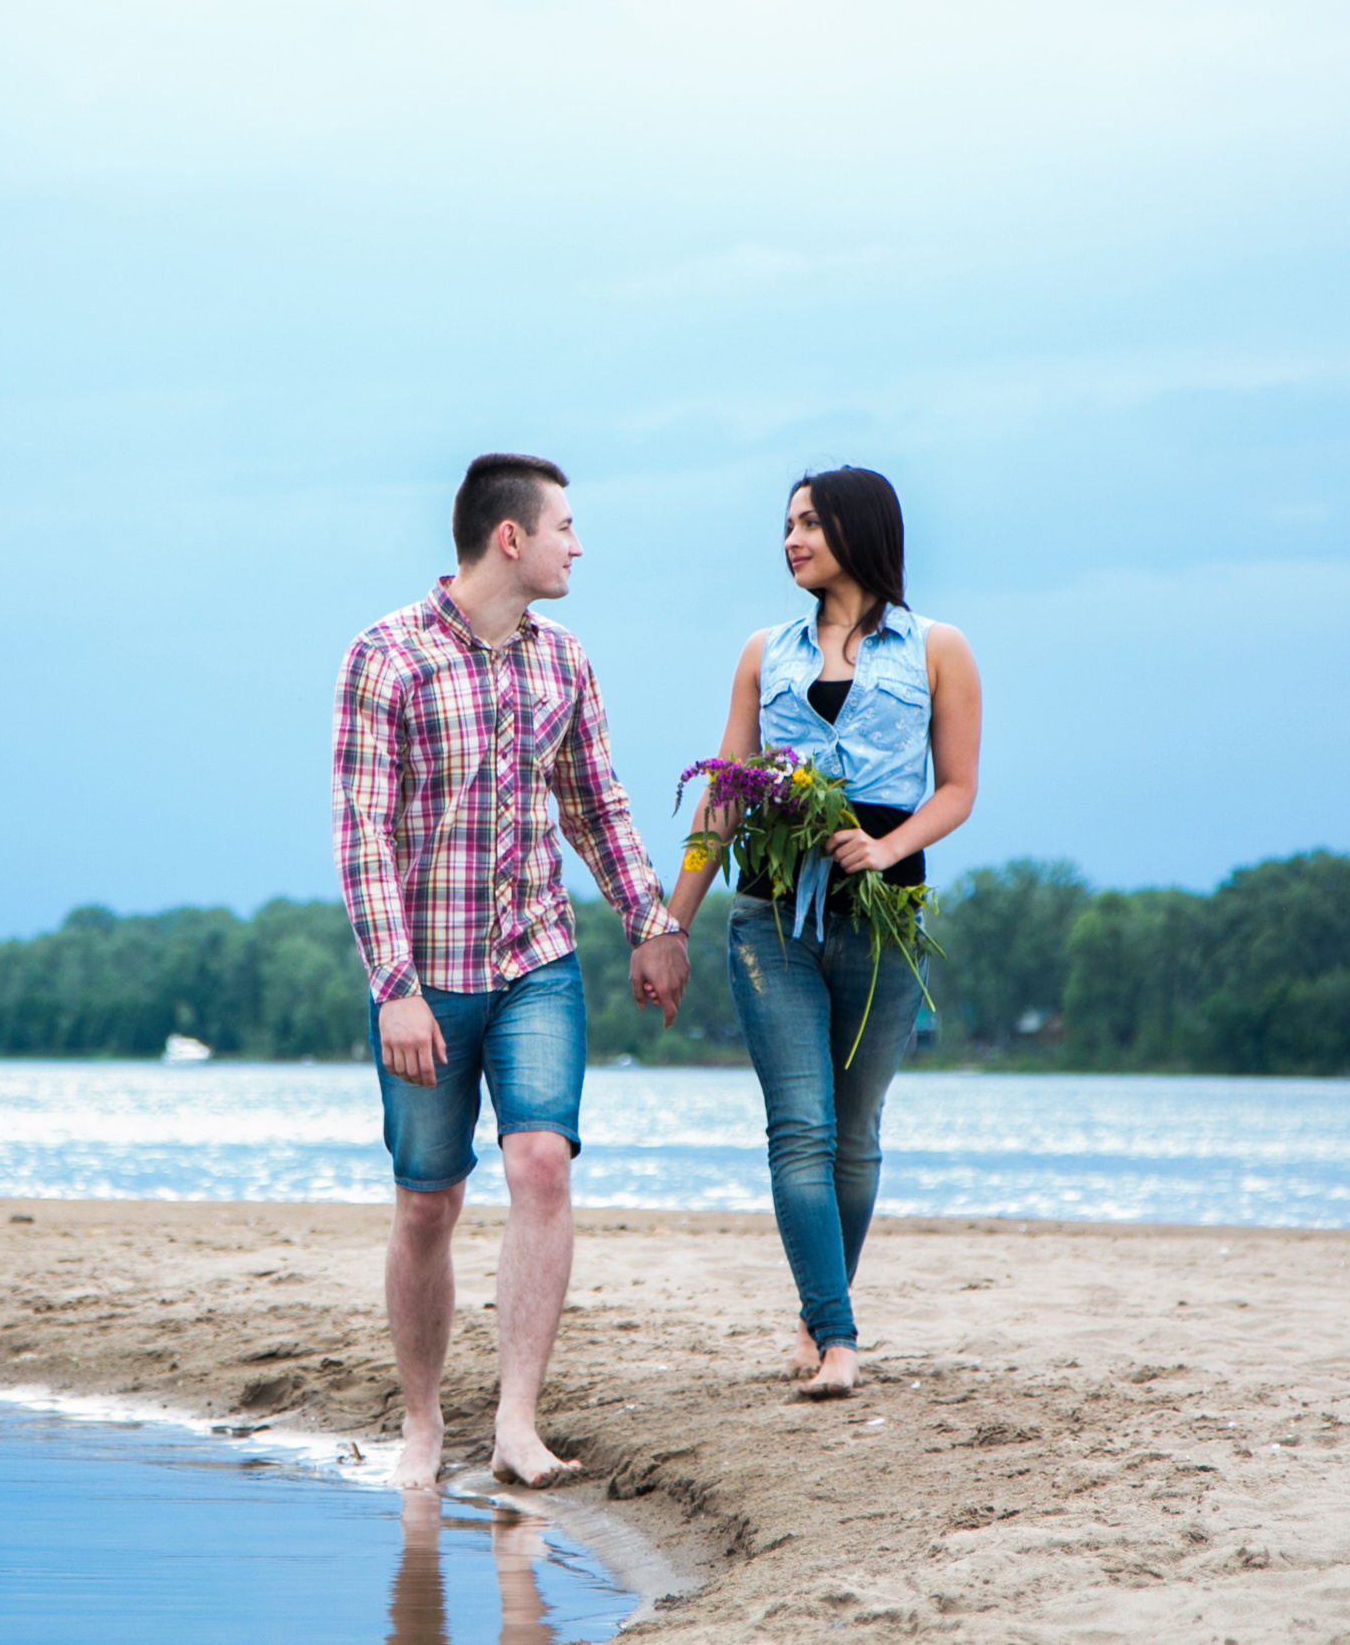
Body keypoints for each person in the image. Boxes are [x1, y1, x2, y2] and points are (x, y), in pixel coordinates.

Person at [333, 452, 691, 1489]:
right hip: (425, 974)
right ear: (510, 538)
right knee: (426, 1206)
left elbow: (595, 804)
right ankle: (421, 1424)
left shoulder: (565, 662)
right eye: (565, 526)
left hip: (536, 957)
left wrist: (649, 919)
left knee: (541, 1162)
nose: (576, 544)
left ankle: (517, 1426)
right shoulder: (384, 656)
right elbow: (362, 837)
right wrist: (392, 985)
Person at [663, 467, 982, 1399]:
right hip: (770, 916)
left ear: (858, 528)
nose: (792, 539)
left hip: (886, 918)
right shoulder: (766, 651)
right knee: (797, 1127)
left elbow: (957, 788)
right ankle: (839, 1338)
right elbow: (727, 787)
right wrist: (671, 920)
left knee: (854, 1134)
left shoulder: (938, 648)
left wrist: (886, 848)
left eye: (809, 522)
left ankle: (814, 1313)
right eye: (789, 524)